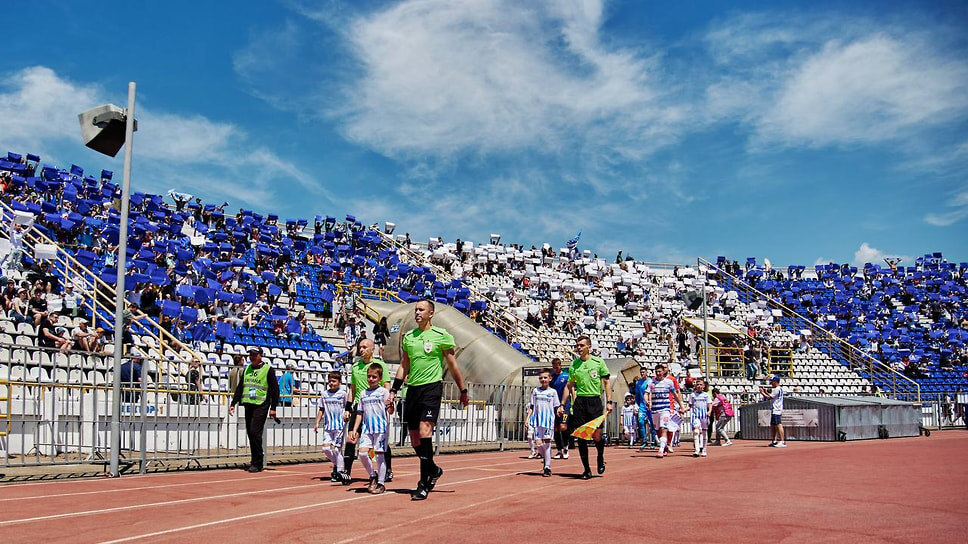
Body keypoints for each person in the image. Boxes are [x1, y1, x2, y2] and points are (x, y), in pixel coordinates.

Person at [387, 300, 469, 501]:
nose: (417, 312)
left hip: (432, 388)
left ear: (431, 313)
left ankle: (423, 483)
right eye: (415, 309)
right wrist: (393, 391)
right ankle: (433, 468)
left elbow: (452, 365)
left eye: (421, 309)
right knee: (415, 439)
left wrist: (463, 390)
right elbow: (404, 366)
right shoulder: (409, 337)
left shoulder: (442, 336)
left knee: (425, 431)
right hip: (412, 389)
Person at [558, 335, 612, 479]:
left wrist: (609, 402)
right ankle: (586, 469)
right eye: (577, 345)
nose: (579, 348)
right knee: (581, 437)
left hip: (595, 401)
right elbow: (569, 385)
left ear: (589, 346)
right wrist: (562, 404)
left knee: (597, 436)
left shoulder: (598, 362)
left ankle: (600, 457)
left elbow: (607, 383)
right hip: (580, 402)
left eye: (581, 345)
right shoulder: (574, 365)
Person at [344, 338, 393, 483]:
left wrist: (386, 403)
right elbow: (352, 389)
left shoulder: (380, 365)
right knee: (351, 439)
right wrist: (348, 407)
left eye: (365, 347)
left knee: (381, 445)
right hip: (359, 407)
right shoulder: (355, 366)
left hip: (376, 409)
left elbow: (387, 385)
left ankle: (387, 470)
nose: (361, 349)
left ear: (372, 349)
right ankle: (346, 472)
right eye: (360, 347)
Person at [228, 347, 280, 472]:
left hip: (261, 404)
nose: (252, 357)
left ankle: (258, 462)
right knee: (251, 434)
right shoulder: (247, 369)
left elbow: (275, 390)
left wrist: (273, 408)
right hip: (249, 404)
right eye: (250, 355)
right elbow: (240, 387)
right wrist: (233, 403)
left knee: (255, 432)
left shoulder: (268, 370)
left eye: (254, 355)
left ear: (260, 356)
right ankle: (255, 459)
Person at [349, 363, 392, 494]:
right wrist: (355, 429)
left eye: (374, 377)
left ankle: (381, 483)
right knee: (362, 453)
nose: (371, 379)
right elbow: (359, 413)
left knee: (379, 455)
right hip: (367, 429)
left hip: (381, 429)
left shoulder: (383, 392)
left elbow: (390, 410)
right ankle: (372, 475)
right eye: (369, 376)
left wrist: (391, 405)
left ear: (379, 378)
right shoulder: (363, 393)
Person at [314, 372, 349, 483]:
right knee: (325, 448)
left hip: (339, 426)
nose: (331, 383)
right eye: (330, 381)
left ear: (339, 382)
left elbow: (347, 407)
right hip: (328, 426)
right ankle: (337, 464)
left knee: (337, 449)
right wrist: (317, 422)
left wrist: (347, 416)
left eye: (334, 381)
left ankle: (339, 472)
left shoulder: (343, 394)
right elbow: (321, 409)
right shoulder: (324, 394)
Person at [526, 368, 560, 476]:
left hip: (548, 421)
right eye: (541, 378)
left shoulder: (553, 392)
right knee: (538, 443)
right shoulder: (536, 391)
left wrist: (558, 419)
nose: (543, 380)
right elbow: (532, 406)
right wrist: (527, 418)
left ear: (550, 379)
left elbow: (556, 407)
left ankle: (547, 467)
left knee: (547, 441)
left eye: (545, 377)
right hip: (537, 420)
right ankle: (546, 456)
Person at [646, 363, 684, 458]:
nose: (658, 373)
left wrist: (681, 405)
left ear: (663, 372)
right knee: (658, 430)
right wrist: (647, 401)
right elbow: (646, 393)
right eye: (656, 372)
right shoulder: (651, 383)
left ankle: (661, 450)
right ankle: (665, 446)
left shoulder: (669, 382)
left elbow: (675, 394)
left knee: (664, 428)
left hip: (665, 409)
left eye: (660, 371)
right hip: (655, 409)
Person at [549, 358, 572, 459]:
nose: (555, 369)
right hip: (554, 405)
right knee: (556, 428)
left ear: (560, 366)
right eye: (554, 367)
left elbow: (572, 389)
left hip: (565, 404)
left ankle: (566, 447)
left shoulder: (566, 376)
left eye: (557, 367)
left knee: (563, 426)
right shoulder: (552, 377)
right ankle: (559, 450)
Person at [632, 365, 657, 451]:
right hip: (642, 406)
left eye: (643, 372)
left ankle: (653, 442)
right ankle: (644, 440)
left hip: (650, 405)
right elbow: (637, 395)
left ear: (646, 373)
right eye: (641, 372)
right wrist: (636, 404)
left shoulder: (650, 381)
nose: (642, 374)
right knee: (640, 421)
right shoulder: (638, 383)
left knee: (652, 423)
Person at [688, 378, 712, 457]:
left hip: (704, 416)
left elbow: (709, 404)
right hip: (695, 416)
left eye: (701, 385)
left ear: (703, 386)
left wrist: (709, 411)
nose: (699, 386)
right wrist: (684, 409)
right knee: (696, 431)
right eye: (697, 384)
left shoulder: (706, 395)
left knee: (704, 433)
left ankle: (704, 449)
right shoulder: (692, 395)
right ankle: (697, 450)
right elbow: (690, 405)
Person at [760, 375, 786, 447]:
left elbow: (769, 397)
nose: (771, 383)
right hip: (775, 409)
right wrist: (765, 392)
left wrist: (762, 393)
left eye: (772, 382)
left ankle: (782, 441)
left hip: (776, 409)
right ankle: (774, 440)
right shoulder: (778, 389)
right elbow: (772, 396)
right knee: (773, 425)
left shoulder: (777, 389)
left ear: (775, 382)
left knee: (778, 424)